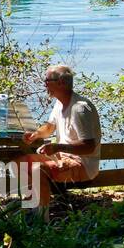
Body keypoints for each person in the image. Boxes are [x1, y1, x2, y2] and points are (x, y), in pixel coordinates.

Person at [17, 64, 102, 209]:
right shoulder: (59, 103)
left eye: (47, 80)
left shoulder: (79, 109)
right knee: (20, 163)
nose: (45, 84)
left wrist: (57, 147)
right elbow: (49, 127)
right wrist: (35, 134)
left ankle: (41, 217)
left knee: (37, 170)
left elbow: (89, 147)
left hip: (83, 165)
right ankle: (33, 204)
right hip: (63, 158)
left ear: (61, 83)